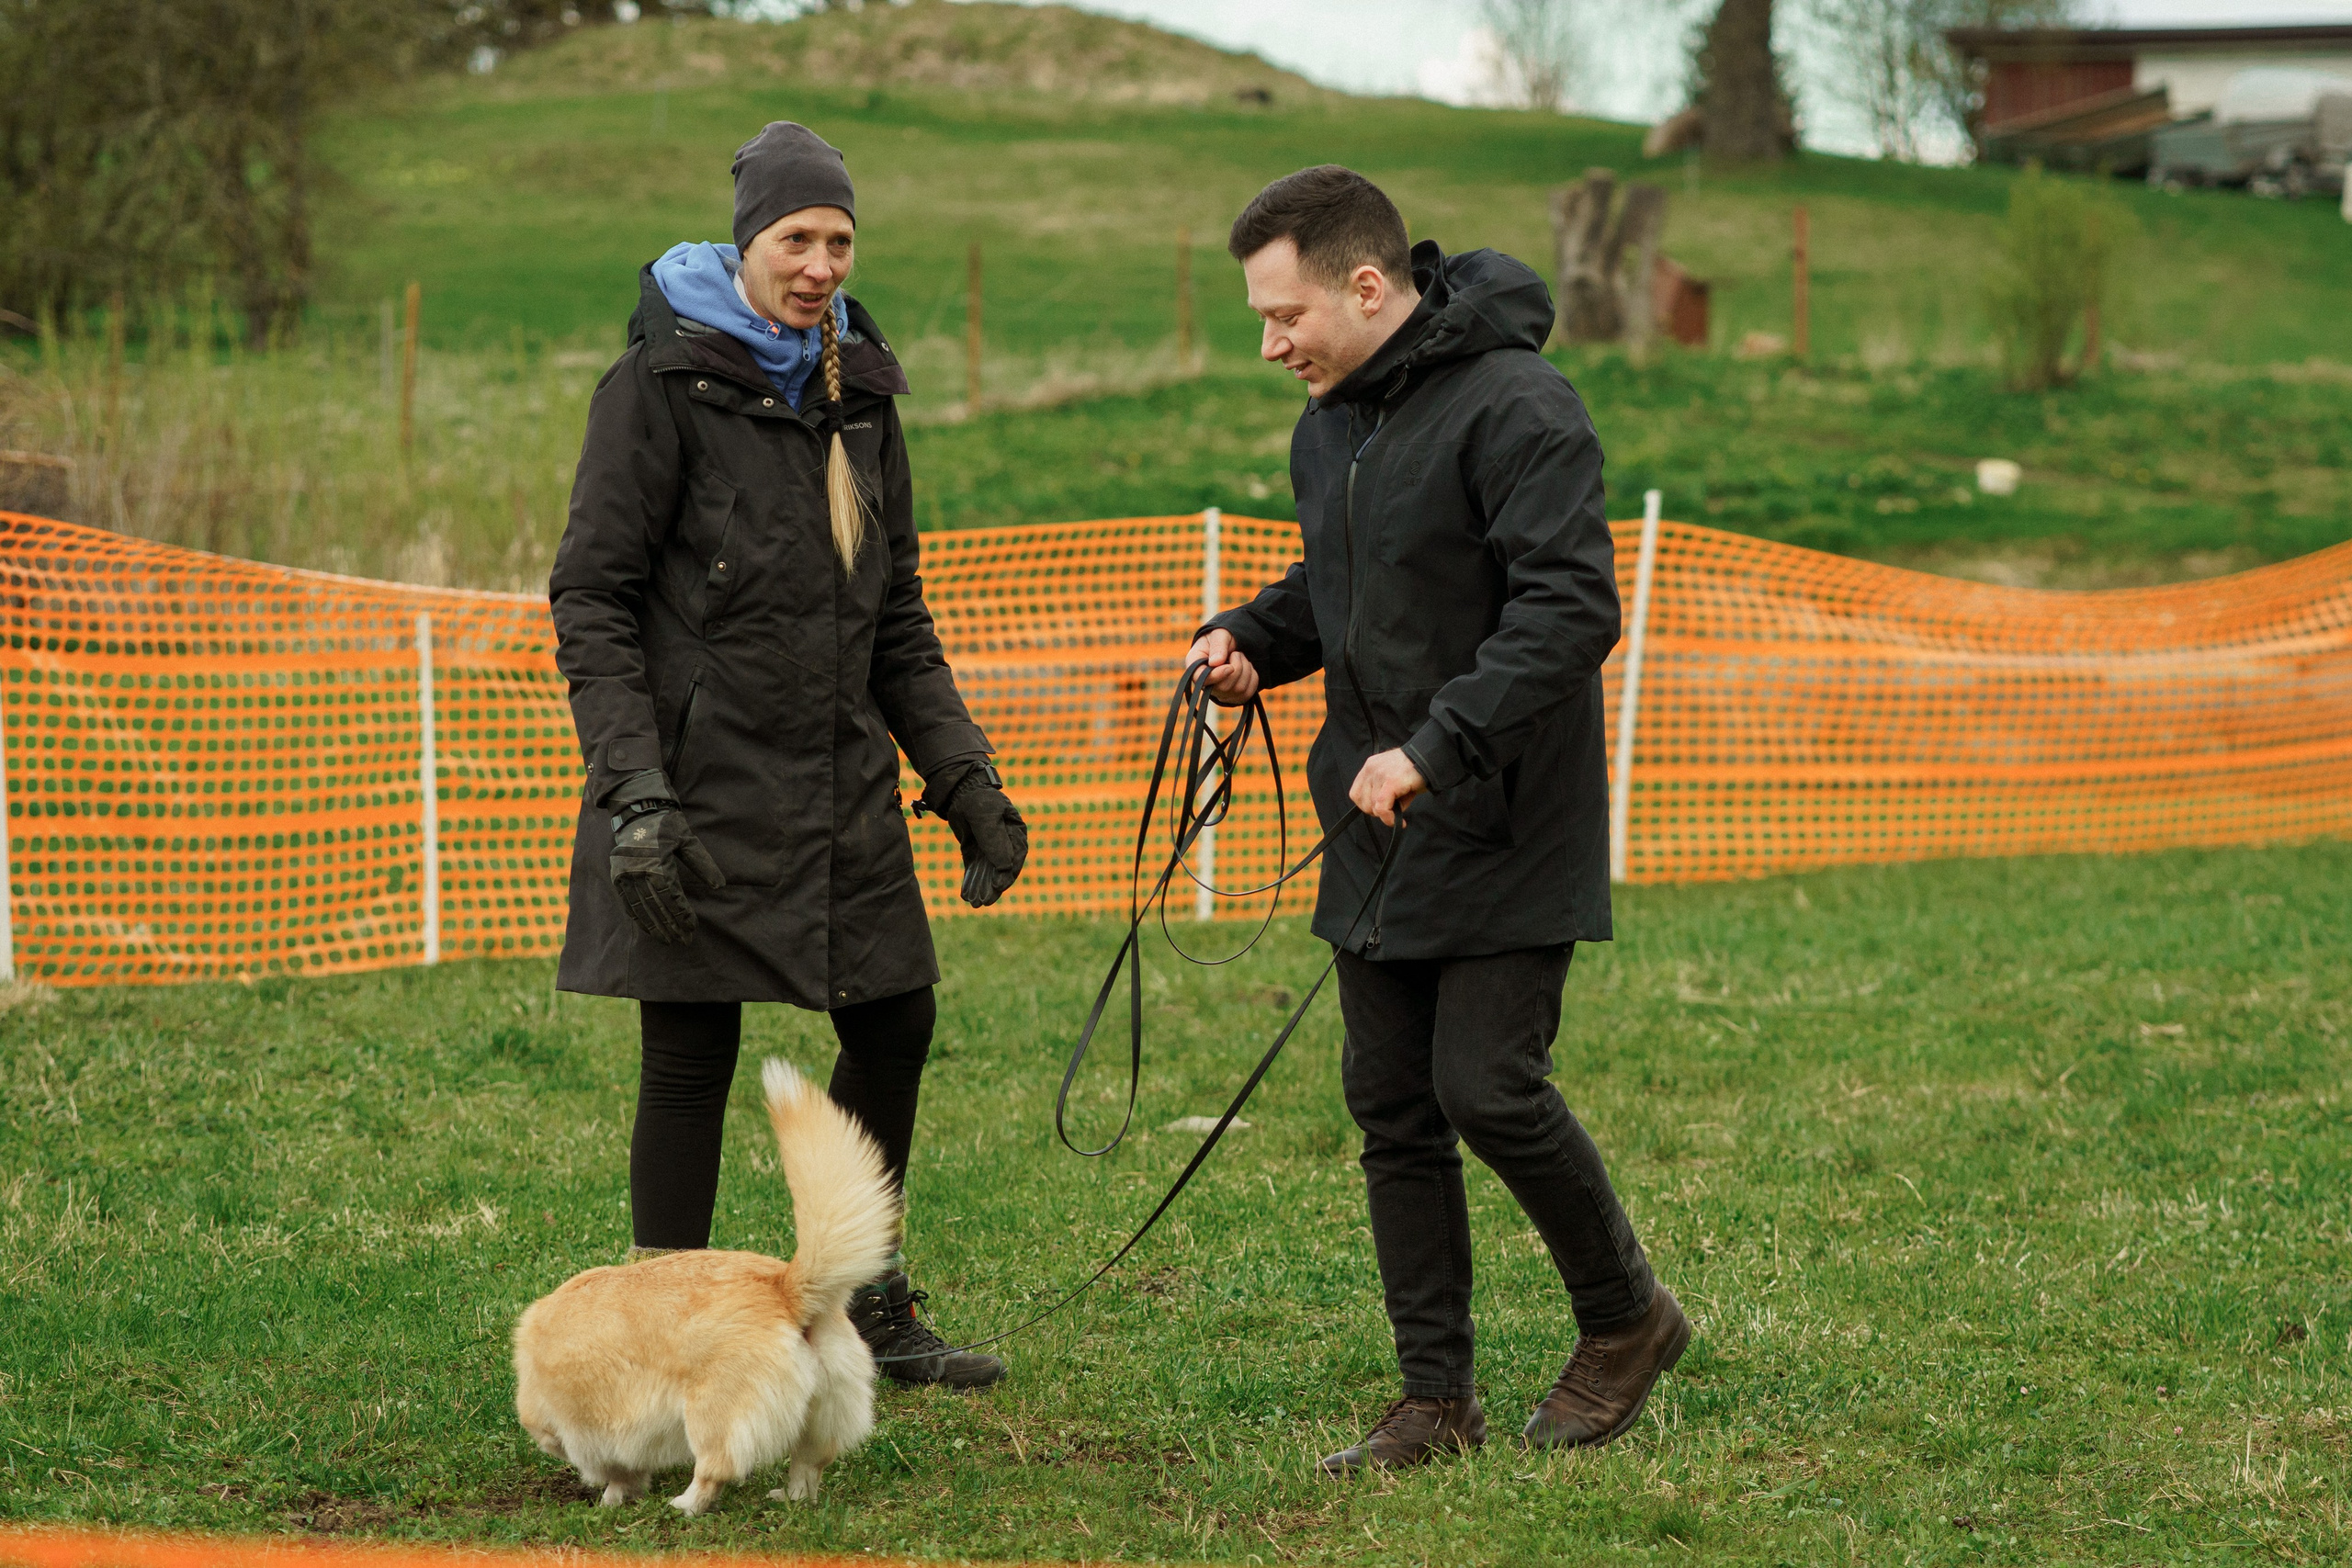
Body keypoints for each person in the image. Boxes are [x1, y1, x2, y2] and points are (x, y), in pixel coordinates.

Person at [1187, 165, 1689, 1473]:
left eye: (1285, 313)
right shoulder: (1330, 423)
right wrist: (1249, 639)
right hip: (1375, 813)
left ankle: (1627, 1319)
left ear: (1368, 286)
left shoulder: (1520, 404)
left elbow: (1573, 609)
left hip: (1504, 810)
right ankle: (1434, 1401)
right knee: (1390, 1107)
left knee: (1488, 1089)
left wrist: (1437, 745)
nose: (1270, 343)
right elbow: (1345, 589)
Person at [549, 121, 1025, 1391]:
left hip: (834, 780)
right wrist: (634, 790)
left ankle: (861, 1302)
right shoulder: (656, 389)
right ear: (747, 242)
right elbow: (590, 599)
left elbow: (899, 618)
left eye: (839, 241)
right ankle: (664, 1349)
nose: (818, 264)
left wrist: (964, 775)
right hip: (692, 786)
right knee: (692, 1051)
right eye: (796, 239)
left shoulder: (859, 397)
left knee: (899, 1017)